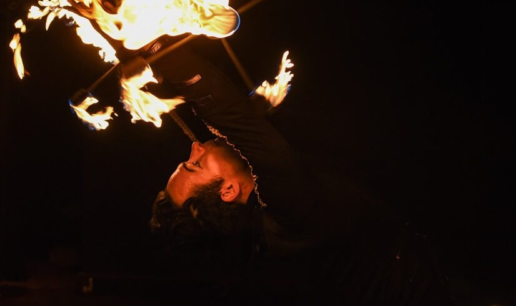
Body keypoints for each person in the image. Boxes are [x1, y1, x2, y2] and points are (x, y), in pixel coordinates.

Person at [123, 36, 456, 304]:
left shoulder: (270, 222)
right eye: (195, 164)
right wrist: (160, 50)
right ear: (228, 191)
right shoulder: (288, 215)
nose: (196, 146)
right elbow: (240, 126)